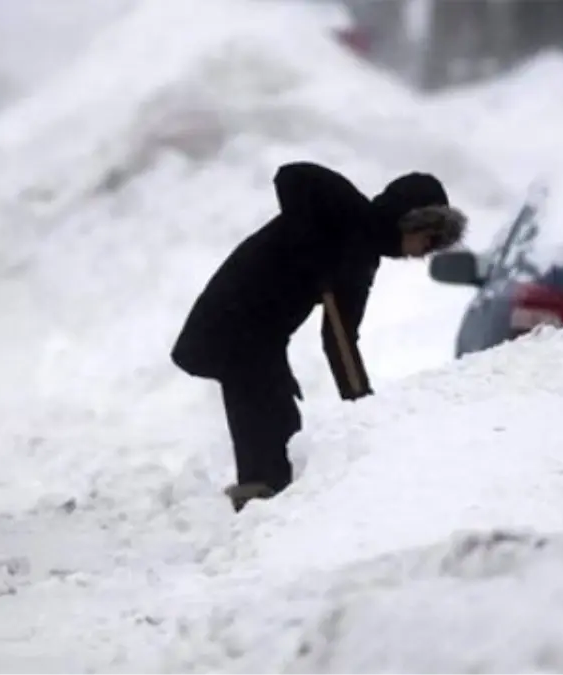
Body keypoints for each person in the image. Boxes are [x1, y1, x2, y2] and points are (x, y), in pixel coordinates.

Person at [171, 162, 467, 512]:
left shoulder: (360, 258)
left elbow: (339, 338)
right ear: (410, 220)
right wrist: (308, 243)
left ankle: (263, 504)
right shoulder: (347, 215)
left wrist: (361, 406)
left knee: (278, 417)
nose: (426, 252)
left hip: (257, 335)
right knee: (267, 413)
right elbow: (291, 175)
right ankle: (260, 507)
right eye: (430, 238)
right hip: (235, 321)